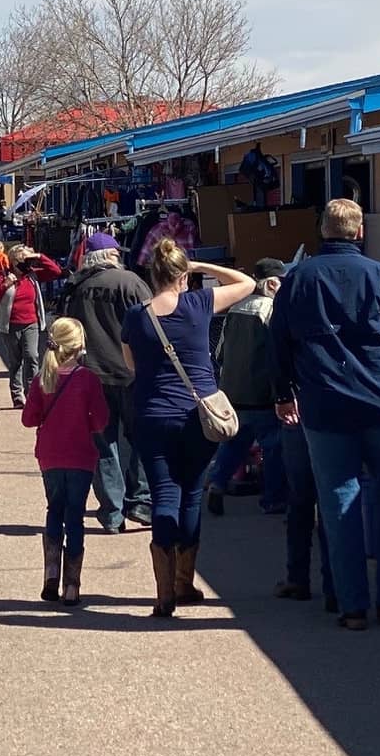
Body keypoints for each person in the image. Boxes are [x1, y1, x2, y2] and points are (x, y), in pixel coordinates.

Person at [271, 199, 380, 631]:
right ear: (360, 231)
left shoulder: (299, 279)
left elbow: (277, 340)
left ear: (321, 230)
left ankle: (351, 606)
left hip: (325, 406)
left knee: (337, 504)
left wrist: (283, 394)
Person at [122, 240, 255, 618]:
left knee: (164, 494)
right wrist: (200, 267)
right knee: (192, 494)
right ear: (182, 276)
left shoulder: (136, 316)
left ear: (152, 275)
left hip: (153, 416)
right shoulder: (198, 304)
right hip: (198, 416)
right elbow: (247, 283)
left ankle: (164, 593)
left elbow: (131, 366)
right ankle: (184, 582)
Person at [65, 232, 154, 533]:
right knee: (143, 438)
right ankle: (141, 502)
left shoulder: (77, 287)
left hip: (92, 376)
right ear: (111, 255)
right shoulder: (130, 282)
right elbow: (152, 325)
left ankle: (113, 513)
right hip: (132, 374)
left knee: (103, 445)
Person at [20, 317, 106, 605]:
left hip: (50, 456)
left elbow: (28, 419)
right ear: (80, 346)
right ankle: (72, 585)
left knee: (54, 509)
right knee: (75, 516)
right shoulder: (88, 380)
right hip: (81, 455)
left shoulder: (42, 378)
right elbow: (101, 421)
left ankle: (51, 575)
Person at [205, 258, 293, 517]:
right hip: (262, 391)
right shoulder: (272, 310)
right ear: (272, 284)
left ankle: (217, 483)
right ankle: (273, 499)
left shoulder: (234, 309)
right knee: (273, 446)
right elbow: (280, 352)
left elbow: (219, 352)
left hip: (232, 390)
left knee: (234, 443)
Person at [0, 244, 64, 408]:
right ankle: (17, 396)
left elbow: (56, 271)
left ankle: (33, 394)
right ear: (14, 262)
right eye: (24, 260)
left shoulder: (32, 276)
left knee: (32, 356)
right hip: (11, 325)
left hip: (31, 323)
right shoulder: (4, 276)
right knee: (15, 361)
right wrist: (5, 285)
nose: (28, 264)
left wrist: (39, 256)